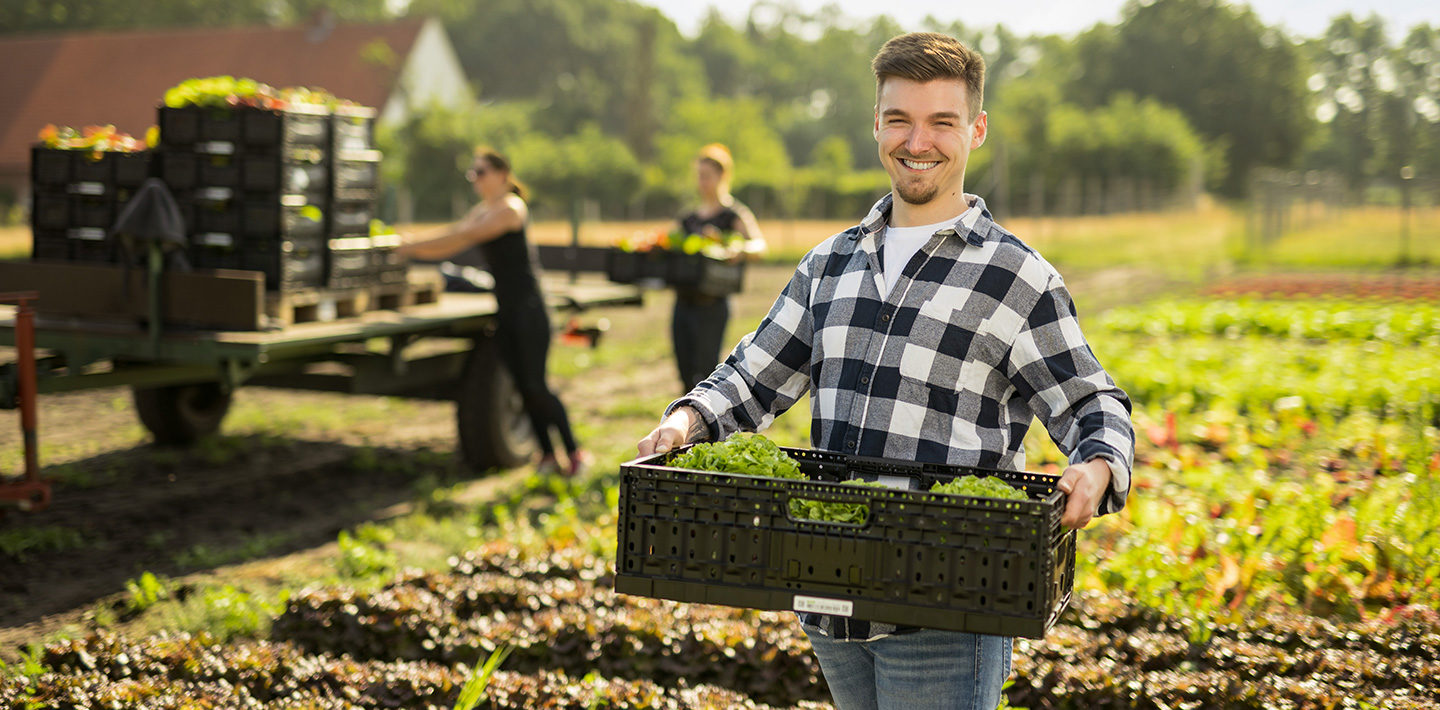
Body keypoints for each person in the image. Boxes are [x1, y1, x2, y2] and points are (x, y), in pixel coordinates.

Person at [636, 32, 1134, 709]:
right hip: (830, 597)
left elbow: (1091, 402)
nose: (917, 141)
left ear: (976, 130)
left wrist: (1099, 462)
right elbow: (753, 377)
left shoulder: (1016, 277)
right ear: (877, 124)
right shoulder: (829, 264)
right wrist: (685, 418)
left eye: (941, 122)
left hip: (946, 604)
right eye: (899, 119)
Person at [398, 148, 590, 477]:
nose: (476, 179)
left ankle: (574, 454)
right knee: (519, 384)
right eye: (472, 174)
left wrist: (407, 246)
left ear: (502, 174)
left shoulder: (511, 209)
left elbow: (464, 236)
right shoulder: (483, 210)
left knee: (536, 384)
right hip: (507, 309)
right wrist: (410, 249)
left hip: (529, 309)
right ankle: (546, 455)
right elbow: (453, 241)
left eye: (481, 172)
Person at [671, 143, 765, 393]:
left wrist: (737, 250)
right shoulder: (689, 218)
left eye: (707, 176)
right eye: (699, 176)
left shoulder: (733, 214)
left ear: (722, 176)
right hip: (683, 302)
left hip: (712, 304)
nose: (701, 182)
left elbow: (759, 245)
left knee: (706, 371)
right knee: (684, 373)